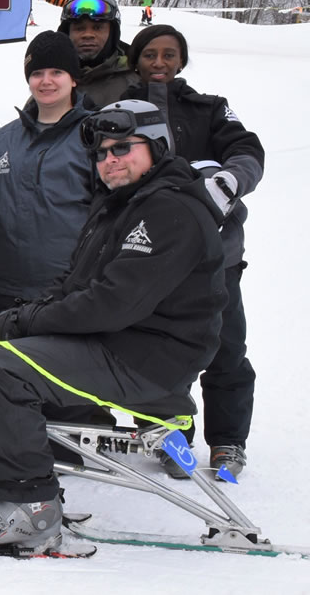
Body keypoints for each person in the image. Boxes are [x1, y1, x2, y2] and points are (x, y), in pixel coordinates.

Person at [0, 101, 226, 552]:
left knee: (7, 367)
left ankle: (30, 506)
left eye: (122, 149)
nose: (109, 160)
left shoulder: (167, 210)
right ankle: (11, 471)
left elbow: (112, 303)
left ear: (156, 147)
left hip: (148, 356)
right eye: (101, 154)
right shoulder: (122, 204)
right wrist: (21, 316)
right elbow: (77, 282)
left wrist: (26, 319)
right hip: (124, 342)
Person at [124, 24, 264, 478]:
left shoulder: (210, 109)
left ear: (181, 61)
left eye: (169, 55)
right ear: (136, 61)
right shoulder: (120, 111)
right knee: (156, 350)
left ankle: (227, 441)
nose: (159, 63)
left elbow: (247, 149)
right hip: (150, 260)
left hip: (215, 257)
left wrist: (230, 179)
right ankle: (168, 433)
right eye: (150, 55)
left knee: (226, 349)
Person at [0, 31, 96, 315]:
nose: (46, 81)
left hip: (69, 293)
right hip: (4, 293)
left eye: (57, 71)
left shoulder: (95, 137)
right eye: (37, 72)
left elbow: (111, 216)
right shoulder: (4, 139)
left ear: (73, 78)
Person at [57, 0, 139, 109]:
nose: (87, 35)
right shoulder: (50, 80)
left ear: (112, 34)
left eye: (97, 28)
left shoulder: (135, 85)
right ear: (67, 33)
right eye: (79, 28)